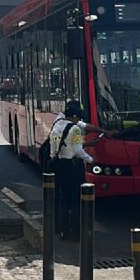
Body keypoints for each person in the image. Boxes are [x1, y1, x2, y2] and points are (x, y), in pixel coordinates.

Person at [49, 99, 93, 239]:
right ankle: (76, 230)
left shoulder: (56, 126)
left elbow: (52, 150)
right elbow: (78, 151)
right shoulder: (74, 130)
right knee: (76, 200)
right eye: (78, 117)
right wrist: (91, 160)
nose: (78, 120)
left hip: (60, 165)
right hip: (74, 167)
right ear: (74, 116)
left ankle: (63, 230)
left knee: (63, 199)